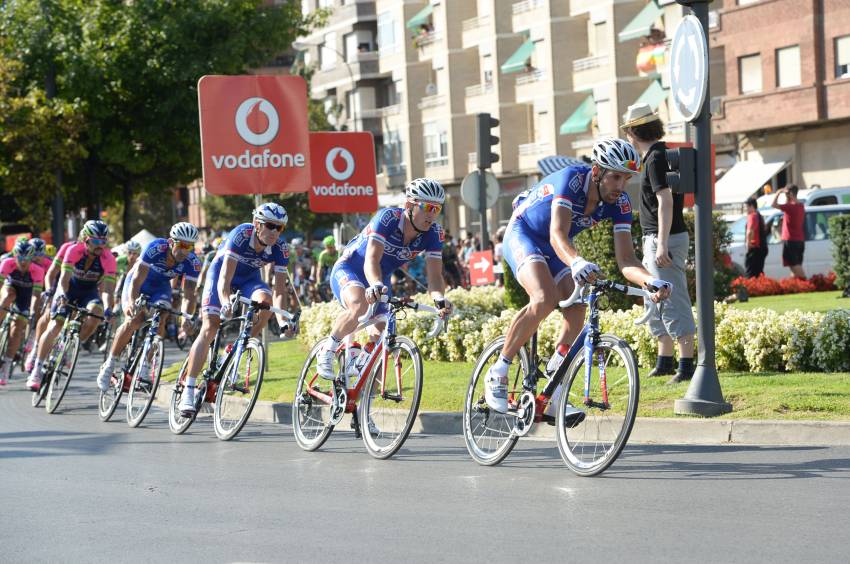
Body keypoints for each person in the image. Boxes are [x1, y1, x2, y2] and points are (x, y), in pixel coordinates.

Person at [486, 138, 671, 417]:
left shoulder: (619, 202)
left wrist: (649, 281)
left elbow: (626, 260)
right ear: (596, 172)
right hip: (524, 233)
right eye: (615, 177)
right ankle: (498, 369)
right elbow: (557, 234)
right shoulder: (571, 181)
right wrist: (576, 261)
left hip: (553, 246)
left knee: (577, 307)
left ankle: (555, 373)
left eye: (626, 179)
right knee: (544, 297)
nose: (620, 186)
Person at [316, 178, 453, 379]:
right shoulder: (387, 218)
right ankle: (327, 351)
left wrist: (440, 299)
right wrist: (376, 284)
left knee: (381, 337)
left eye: (437, 209)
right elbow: (371, 259)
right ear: (409, 205)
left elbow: (434, 276)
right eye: (427, 207)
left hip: (381, 277)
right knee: (359, 304)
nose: (432, 215)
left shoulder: (434, 234)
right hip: (352, 268)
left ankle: (359, 387)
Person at [178, 203, 296, 416]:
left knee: (266, 302)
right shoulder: (241, 235)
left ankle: (237, 347)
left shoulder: (281, 248)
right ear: (257, 224)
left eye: (280, 228)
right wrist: (225, 302)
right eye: (270, 225)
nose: (274, 232)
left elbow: (279, 291)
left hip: (250, 279)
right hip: (222, 276)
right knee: (210, 327)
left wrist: (283, 322)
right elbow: (224, 279)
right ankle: (188, 389)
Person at [622, 102, 697, 384]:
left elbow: (665, 201)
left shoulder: (654, 158)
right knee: (654, 300)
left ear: (633, 131)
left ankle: (685, 366)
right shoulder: (658, 154)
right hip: (657, 238)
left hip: (663, 239)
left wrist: (661, 244)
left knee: (671, 298)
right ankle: (665, 361)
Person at [96, 223, 201, 391]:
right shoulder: (156, 248)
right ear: (171, 242)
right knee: (135, 320)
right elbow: (137, 279)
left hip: (160, 287)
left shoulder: (193, 261)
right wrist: (131, 301)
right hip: (139, 283)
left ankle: (145, 367)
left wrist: (186, 317)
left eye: (189, 246)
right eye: (181, 244)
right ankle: (109, 364)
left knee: (162, 317)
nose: (185, 250)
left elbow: (189, 294)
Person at [27, 220, 116, 391]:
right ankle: (36, 369)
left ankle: (70, 346)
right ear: (86, 239)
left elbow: (108, 290)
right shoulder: (73, 250)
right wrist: (60, 295)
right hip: (69, 288)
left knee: (95, 314)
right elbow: (64, 278)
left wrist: (107, 308)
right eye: (96, 241)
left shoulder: (108, 258)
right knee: (55, 324)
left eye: (103, 242)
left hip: (89, 292)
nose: (100, 246)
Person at [0, 241, 45, 385]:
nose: (23, 262)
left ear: (32, 258)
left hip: (26, 296)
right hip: (11, 288)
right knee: (6, 297)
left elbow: (36, 296)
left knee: (17, 328)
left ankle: (6, 366)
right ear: (15, 256)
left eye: (27, 259)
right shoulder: (7, 263)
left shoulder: (37, 270)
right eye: (20, 258)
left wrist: (32, 312)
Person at [771, 184, 806, 279]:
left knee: (794, 265)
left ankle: (806, 283)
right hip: (799, 240)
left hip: (791, 240)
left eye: (787, 194)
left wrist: (778, 192)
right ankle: (795, 285)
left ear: (790, 194)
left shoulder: (791, 207)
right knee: (793, 264)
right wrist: (788, 196)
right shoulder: (801, 206)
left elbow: (773, 204)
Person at [744, 197, 768, 278]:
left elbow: (750, 230)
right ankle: (760, 288)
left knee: (751, 273)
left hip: (755, 248)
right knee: (758, 272)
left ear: (751, 206)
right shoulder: (759, 216)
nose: (746, 209)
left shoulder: (752, 216)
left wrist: (748, 243)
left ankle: (751, 289)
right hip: (762, 247)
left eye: (746, 207)